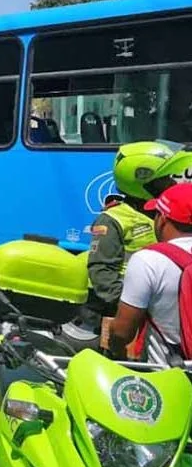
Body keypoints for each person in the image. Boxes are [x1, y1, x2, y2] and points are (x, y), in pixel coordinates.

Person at [82, 141, 173, 331]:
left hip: (159, 309)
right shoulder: (110, 220)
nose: (171, 183)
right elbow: (101, 270)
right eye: (164, 179)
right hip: (128, 310)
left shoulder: (162, 212)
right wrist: (128, 307)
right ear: (142, 181)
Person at [109, 183, 192, 360]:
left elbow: (122, 332)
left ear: (162, 219)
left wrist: (116, 350)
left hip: (169, 372)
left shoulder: (149, 260)